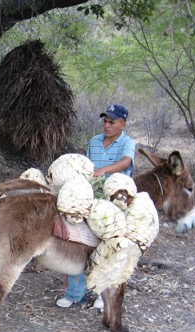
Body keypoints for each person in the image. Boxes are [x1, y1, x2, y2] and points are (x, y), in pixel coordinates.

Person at [56, 103, 136, 309]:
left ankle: (102, 293)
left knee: (109, 247)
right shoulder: (94, 141)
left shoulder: (127, 142)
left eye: (112, 122)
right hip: (91, 198)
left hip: (115, 201)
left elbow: (126, 162)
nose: (107, 125)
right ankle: (74, 293)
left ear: (123, 124)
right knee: (79, 242)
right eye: (105, 121)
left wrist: (103, 171)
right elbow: (88, 166)